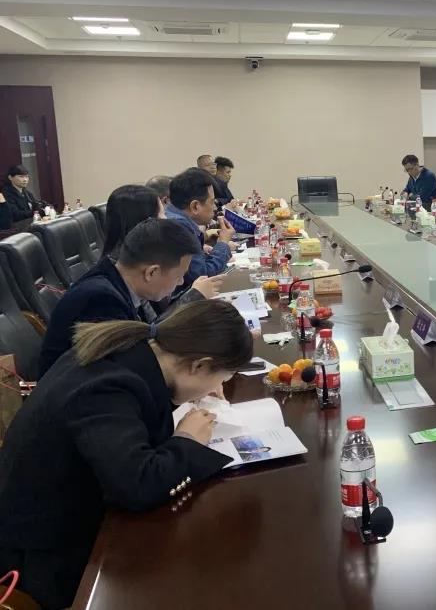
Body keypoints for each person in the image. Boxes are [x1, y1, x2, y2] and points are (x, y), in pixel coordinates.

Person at [0, 300, 253, 609]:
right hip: (44, 555)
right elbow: (138, 485)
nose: (217, 388)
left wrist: (186, 397)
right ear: (199, 365)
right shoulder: (107, 389)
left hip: (73, 514)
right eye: (221, 379)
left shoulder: (132, 351)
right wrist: (188, 441)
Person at [39, 218, 204, 374]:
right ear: (152, 272)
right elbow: (128, 369)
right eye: (179, 276)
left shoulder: (114, 278)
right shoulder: (102, 301)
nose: (181, 281)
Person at [165, 167, 234, 291]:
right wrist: (223, 243)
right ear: (195, 206)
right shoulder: (179, 227)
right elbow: (203, 275)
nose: (215, 208)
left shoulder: (172, 215)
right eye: (211, 202)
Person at [3, 165, 45, 231]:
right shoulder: (5, 194)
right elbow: (15, 214)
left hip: (29, 225)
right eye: (21, 176)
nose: (25, 180)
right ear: (10, 177)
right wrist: (34, 212)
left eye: (27, 177)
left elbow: (34, 206)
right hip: (16, 229)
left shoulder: (28, 193)